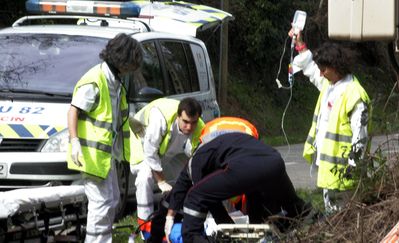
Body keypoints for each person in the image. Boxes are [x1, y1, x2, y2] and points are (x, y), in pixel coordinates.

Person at [164, 117, 311, 243]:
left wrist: (227, 229)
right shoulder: (224, 138)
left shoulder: (197, 159)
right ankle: (311, 223)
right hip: (273, 159)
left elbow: (205, 199)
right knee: (295, 208)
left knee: (195, 196)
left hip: (244, 162)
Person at [67, 33, 142, 242]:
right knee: (101, 204)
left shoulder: (114, 81)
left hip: (106, 157)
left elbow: (112, 115)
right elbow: (73, 110)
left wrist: (131, 121)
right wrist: (74, 142)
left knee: (112, 201)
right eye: (132, 62)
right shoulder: (95, 80)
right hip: (91, 157)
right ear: (123, 59)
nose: (133, 68)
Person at [289, 28, 372, 213]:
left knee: (343, 222)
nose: (320, 73)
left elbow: (361, 139)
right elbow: (310, 69)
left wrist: (351, 169)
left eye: (324, 69)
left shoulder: (354, 95)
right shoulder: (330, 86)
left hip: (344, 177)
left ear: (336, 67)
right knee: (334, 220)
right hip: (330, 172)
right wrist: (300, 44)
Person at [128, 97, 205, 241]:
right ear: (178, 117)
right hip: (142, 139)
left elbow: (197, 159)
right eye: (185, 122)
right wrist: (161, 181)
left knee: (192, 177)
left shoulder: (200, 127)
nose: (189, 127)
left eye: (193, 122)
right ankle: (146, 228)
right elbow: (150, 152)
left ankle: (183, 217)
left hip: (169, 148)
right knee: (144, 178)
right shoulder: (160, 118)